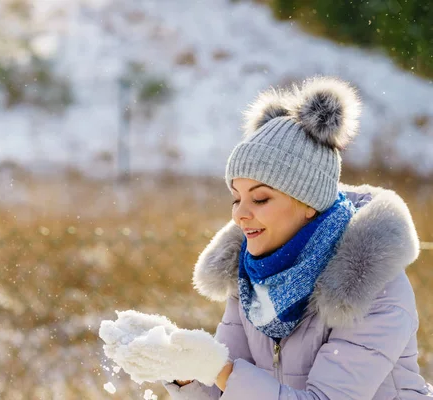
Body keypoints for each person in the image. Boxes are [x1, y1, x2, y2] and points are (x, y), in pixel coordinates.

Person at [162, 77, 433, 399]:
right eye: (236, 198)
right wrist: (185, 373)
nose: (239, 214)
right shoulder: (251, 277)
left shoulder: (369, 286)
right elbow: (226, 391)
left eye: (260, 199)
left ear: (309, 203)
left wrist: (221, 370)